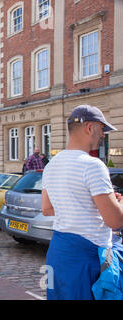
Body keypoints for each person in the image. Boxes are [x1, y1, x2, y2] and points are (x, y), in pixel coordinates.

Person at [41, 104, 123, 300]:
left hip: (58, 253)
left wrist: (94, 202)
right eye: (102, 129)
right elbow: (115, 221)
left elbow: (47, 208)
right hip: (86, 258)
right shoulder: (93, 165)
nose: (102, 135)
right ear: (90, 128)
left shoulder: (51, 166)